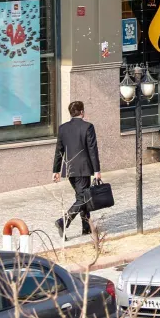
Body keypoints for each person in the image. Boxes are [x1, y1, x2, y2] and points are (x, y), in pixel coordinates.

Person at [52, 100, 101, 237]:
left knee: (81, 196)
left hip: (69, 169)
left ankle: (86, 227)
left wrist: (56, 170)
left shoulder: (63, 128)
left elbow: (59, 150)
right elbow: (92, 150)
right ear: (82, 112)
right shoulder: (88, 127)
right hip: (83, 168)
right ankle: (63, 221)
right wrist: (97, 170)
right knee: (83, 198)